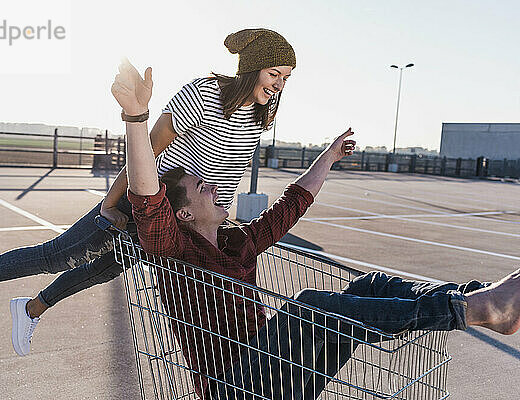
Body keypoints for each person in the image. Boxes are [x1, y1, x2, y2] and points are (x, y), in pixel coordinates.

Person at [114, 59, 520, 399]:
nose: (215, 187)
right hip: (234, 386)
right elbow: (147, 197)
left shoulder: (237, 240)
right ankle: (469, 310)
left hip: (276, 370)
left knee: (372, 285)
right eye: (202, 188)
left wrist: (328, 156)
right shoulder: (170, 247)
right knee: (312, 304)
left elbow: (291, 204)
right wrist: (136, 118)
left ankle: (475, 297)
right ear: (182, 214)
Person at [0, 29, 297, 357]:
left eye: (286, 77)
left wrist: (212, 228)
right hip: (146, 207)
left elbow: (227, 180)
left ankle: (30, 309)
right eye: (274, 73)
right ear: (252, 67)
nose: (279, 84)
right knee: (57, 257)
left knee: (99, 272)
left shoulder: (259, 119)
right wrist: (111, 202)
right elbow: (147, 150)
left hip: (180, 226)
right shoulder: (204, 93)